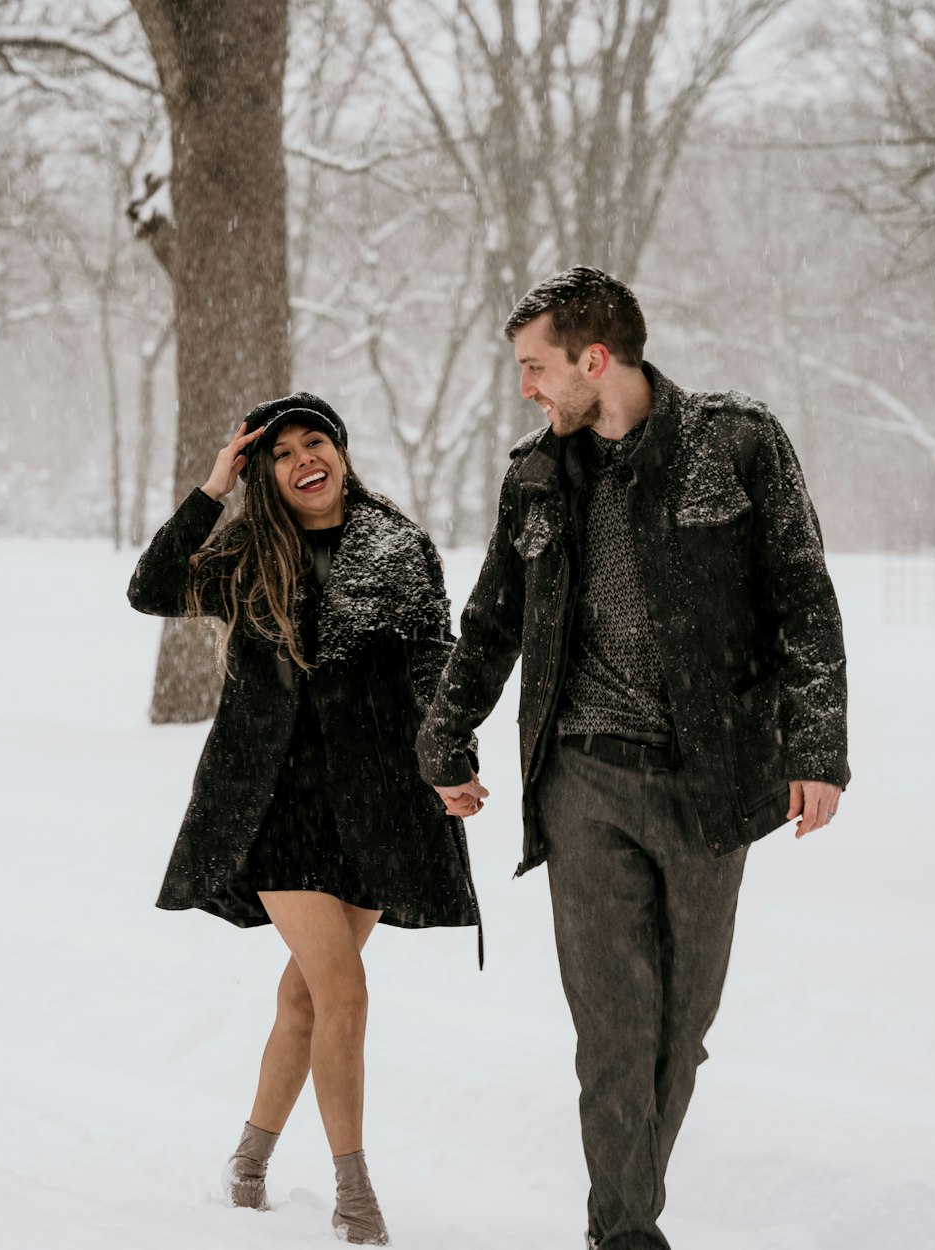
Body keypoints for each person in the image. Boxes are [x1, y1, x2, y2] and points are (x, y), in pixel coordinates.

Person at [416, 267, 849, 1250]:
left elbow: (803, 596)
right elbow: (490, 621)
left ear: (594, 358)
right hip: (583, 783)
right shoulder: (537, 472)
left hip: (713, 780)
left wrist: (816, 745)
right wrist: (442, 736)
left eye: (536, 366)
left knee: (677, 1030)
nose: (526, 386)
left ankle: (625, 1205)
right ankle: (623, 1233)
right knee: (613, 1032)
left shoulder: (735, 444)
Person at [128, 392, 479, 1246]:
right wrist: (213, 489)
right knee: (345, 992)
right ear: (265, 475)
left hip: (375, 803)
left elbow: (436, 665)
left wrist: (451, 764)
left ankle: (249, 1159)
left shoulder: (399, 550)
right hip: (276, 804)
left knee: (304, 996)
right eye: (278, 454)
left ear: (340, 452)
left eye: (313, 442)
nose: (301, 460)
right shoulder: (249, 554)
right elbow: (152, 589)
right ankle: (353, 1194)